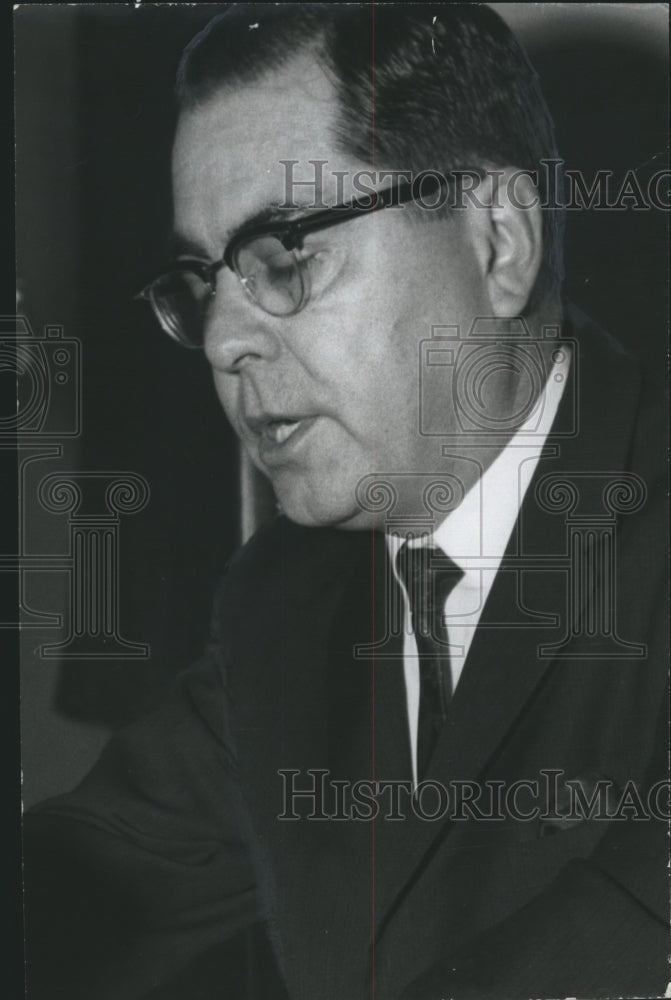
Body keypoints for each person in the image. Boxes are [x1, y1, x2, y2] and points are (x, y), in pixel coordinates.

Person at [23, 5, 668, 998]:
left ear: (496, 240)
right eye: (201, 279)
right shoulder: (284, 594)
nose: (222, 340)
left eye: (284, 251)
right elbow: (100, 877)